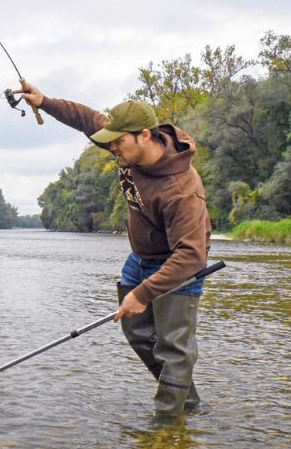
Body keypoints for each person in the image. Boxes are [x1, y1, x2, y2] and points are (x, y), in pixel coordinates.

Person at [17, 84, 212, 417]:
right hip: (140, 258)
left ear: (145, 136)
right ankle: (188, 403)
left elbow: (192, 256)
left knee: (173, 349)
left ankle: (166, 426)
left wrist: (144, 294)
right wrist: (45, 102)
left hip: (178, 265)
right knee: (136, 331)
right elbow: (84, 118)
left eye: (118, 143)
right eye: (111, 142)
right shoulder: (126, 144)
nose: (112, 148)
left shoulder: (180, 189)